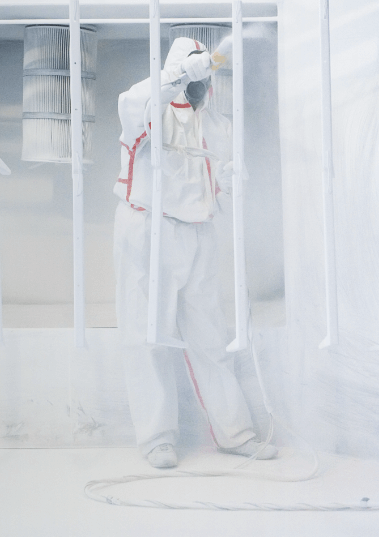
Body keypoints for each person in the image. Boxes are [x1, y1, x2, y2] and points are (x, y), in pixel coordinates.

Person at [113, 36, 277, 469]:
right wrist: (183, 71)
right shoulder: (145, 107)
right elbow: (138, 100)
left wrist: (231, 180)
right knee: (147, 337)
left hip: (199, 233)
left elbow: (221, 182)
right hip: (147, 228)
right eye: (198, 71)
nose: (205, 82)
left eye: (208, 73)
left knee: (209, 338)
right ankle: (156, 439)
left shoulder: (217, 123)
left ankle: (235, 433)